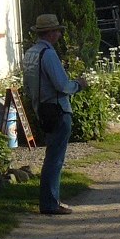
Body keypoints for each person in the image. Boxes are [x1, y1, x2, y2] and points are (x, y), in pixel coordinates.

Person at [22, 13, 90, 216]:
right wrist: (79, 84)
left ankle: (49, 201)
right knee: (55, 159)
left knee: (51, 156)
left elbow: (27, 85)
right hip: (58, 109)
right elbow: (62, 85)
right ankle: (50, 203)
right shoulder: (48, 54)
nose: (59, 34)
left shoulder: (31, 54)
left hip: (42, 109)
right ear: (50, 33)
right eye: (57, 31)